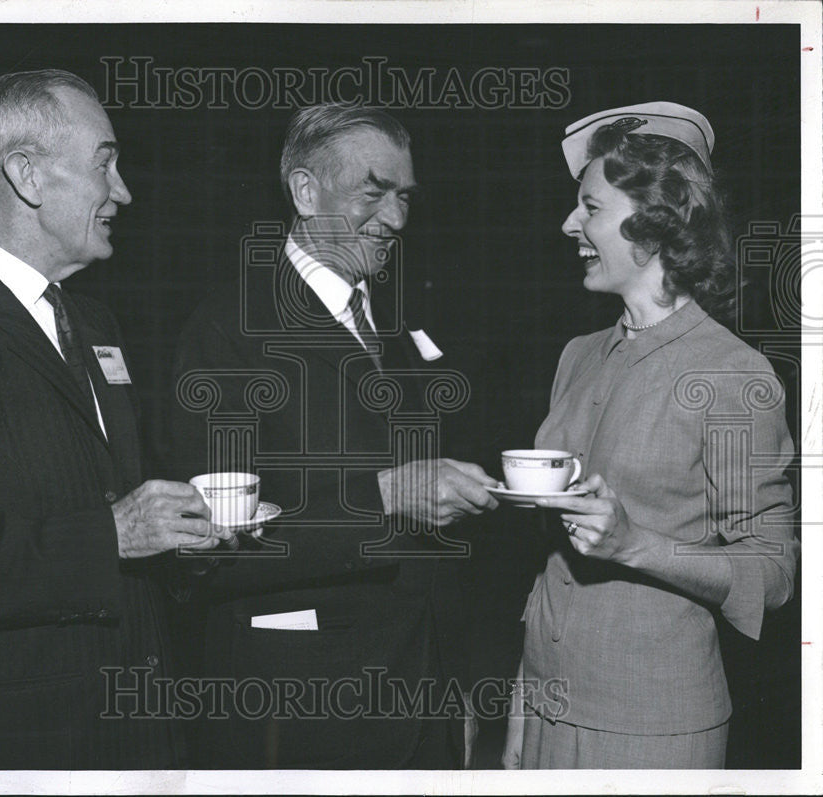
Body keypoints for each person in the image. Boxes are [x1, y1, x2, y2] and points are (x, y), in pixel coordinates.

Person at [0, 69, 233, 769]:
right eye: (105, 162)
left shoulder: (93, 321)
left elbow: (107, 503)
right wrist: (109, 536)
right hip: (13, 745)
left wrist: (178, 538)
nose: (124, 191)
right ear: (27, 176)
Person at [169, 104, 499, 768]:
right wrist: (382, 496)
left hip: (421, 700)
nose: (398, 219)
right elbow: (209, 547)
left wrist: (454, 683)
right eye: (373, 192)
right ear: (304, 191)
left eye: (404, 196)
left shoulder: (407, 325)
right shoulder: (229, 328)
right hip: (303, 711)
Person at [501, 102, 800, 769]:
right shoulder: (577, 355)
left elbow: (773, 570)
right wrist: (522, 712)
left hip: (653, 727)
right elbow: (549, 568)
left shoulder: (728, 374)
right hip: (548, 706)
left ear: (657, 222)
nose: (569, 224)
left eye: (591, 208)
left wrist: (637, 544)